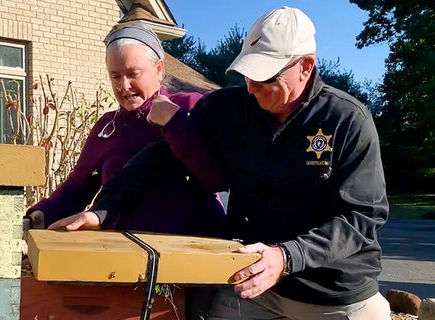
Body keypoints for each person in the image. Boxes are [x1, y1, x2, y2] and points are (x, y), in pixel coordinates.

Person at [49, 7, 391, 320]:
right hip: (252, 283)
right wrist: (102, 210)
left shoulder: (347, 120)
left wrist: (286, 257)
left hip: (334, 293)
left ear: (305, 67)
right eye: (247, 74)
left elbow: (360, 217)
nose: (252, 87)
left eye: (266, 77)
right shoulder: (230, 107)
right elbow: (157, 158)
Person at [25, 22, 225, 237]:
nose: (124, 85)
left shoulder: (191, 106)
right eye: (115, 76)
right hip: (124, 252)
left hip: (195, 250)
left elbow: (215, 175)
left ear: (159, 69)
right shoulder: (107, 127)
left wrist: (174, 123)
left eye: (133, 74)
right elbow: (79, 186)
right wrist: (41, 215)